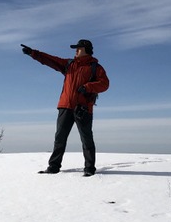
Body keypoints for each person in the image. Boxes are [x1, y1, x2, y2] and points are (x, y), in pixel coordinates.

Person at [21, 39, 109, 176]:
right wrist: (33, 53)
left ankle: (89, 169)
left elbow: (104, 84)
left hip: (83, 108)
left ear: (86, 49)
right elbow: (51, 60)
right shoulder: (69, 64)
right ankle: (53, 167)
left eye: (78, 48)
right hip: (65, 106)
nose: (76, 50)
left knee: (86, 139)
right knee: (59, 138)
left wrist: (88, 87)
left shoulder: (95, 68)